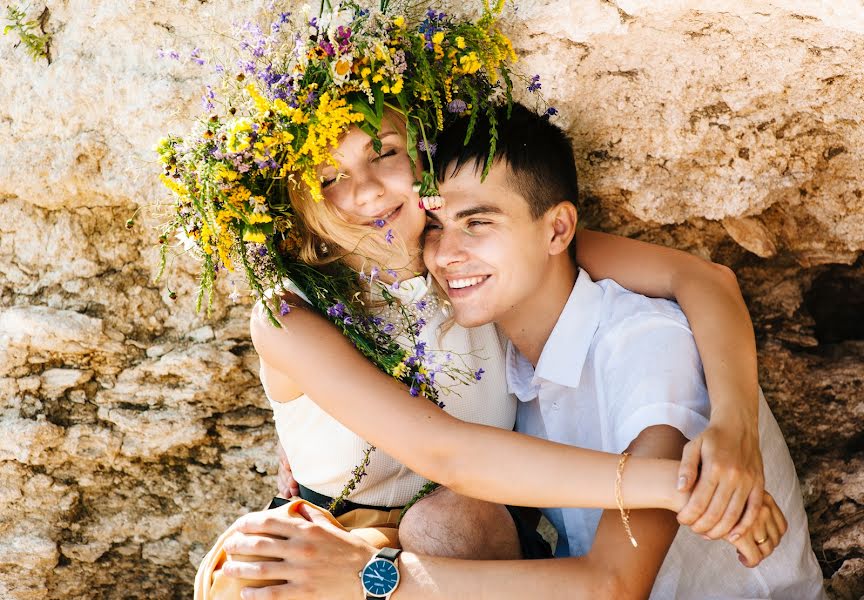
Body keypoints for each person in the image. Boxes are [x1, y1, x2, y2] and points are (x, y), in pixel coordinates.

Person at [220, 104, 825, 598]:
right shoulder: (323, 305)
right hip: (361, 529)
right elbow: (440, 448)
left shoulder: (616, 333)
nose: (369, 191)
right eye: (328, 177)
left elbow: (707, 279)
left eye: (384, 152)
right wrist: (689, 490)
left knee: (451, 524)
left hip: (487, 550)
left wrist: (733, 436)